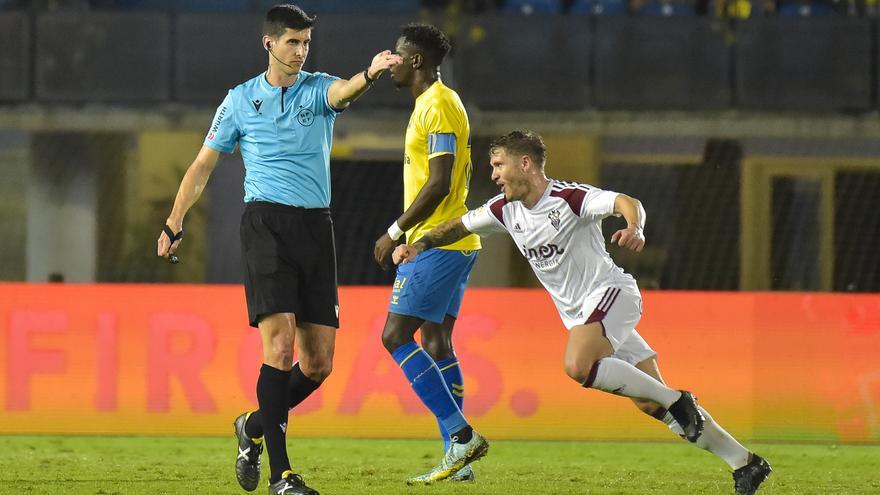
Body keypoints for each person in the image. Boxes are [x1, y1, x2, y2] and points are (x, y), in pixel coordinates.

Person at [392, 130, 773, 495]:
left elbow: (627, 202)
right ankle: (745, 462)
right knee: (650, 401)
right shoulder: (502, 210)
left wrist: (634, 227)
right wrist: (419, 245)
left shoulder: (570, 197)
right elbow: (458, 226)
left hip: (611, 296)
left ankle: (678, 399)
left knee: (578, 365)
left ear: (525, 164)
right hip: (588, 318)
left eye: (498, 165)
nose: (493, 175)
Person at [156, 5, 401, 495]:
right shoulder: (240, 100)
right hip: (266, 224)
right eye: (292, 42)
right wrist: (175, 219)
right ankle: (281, 476)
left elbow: (344, 89)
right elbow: (204, 164)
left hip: (316, 228)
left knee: (318, 363)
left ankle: (252, 427)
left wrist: (370, 74)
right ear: (268, 43)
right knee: (280, 345)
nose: (301, 50)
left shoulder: (318, 89)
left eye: (306, 42)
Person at [372, 22, 488, 485]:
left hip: (437, 242)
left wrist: (395, 230)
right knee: (436, 342)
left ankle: (461, 436)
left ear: (416, 60)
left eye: (399, 54)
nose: (393, 60)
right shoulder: (436, 102)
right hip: (457, 241)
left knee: (395, 337)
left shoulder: (438, 105)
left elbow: (438, 182)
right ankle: (457, 460)